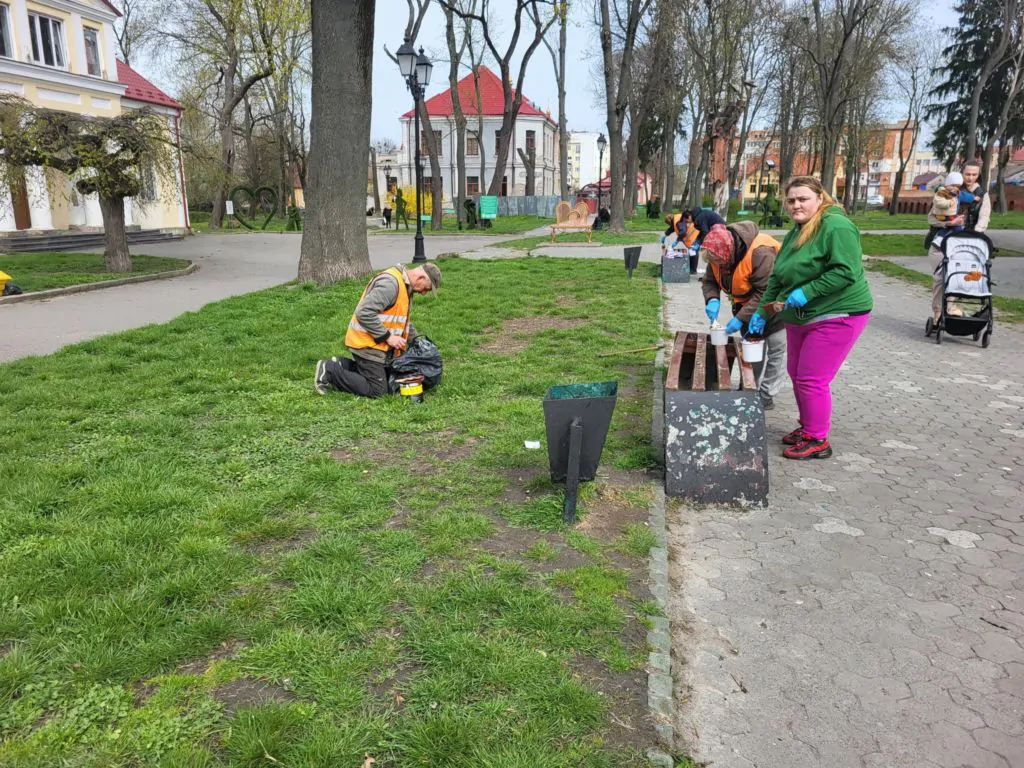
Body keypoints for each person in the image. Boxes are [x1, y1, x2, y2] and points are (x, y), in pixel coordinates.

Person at [747, 176, 873, 460]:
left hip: (838, 312)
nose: (796, 205)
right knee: (797, 374)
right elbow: (778, 278)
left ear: (819, 198)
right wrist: (760, 313)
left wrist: (807, 291)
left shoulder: (836, 226)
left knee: (811, 378)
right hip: (801, 316)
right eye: (791, 200)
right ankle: (808, 427)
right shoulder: (798, 230)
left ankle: (818, 439)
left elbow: (845, 272)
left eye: (803, 199)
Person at [314, 263, 441, 398]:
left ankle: (343, 364)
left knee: (390, 378)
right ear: (421, 277)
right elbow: (363, 313)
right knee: (379, 391)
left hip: (378, 346)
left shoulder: (405, 286)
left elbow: (402, 320)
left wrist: (418, 342)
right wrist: (388, 337)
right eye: (425, 289)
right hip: (366, 345)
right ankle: (329, 370)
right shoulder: (390, 285)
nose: (423, 293)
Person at [700, 222, 785, 409]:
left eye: (720, 262)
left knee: (776, 350)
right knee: (752, 348)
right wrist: (712, 299)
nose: (717, 266)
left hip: (777, 306)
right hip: (748, 309)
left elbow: (767, 291)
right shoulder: (716, 254)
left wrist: (740, 318)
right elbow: (709, 281)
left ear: (729, 254)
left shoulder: (760, 253)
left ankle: (766, 395)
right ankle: (748, 388)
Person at [927, 165, 991, 322]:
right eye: (967, 174)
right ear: (961, 174)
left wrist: (973, 237)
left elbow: (983, 219)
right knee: (941, 278)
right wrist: (949, 223)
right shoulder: (947, 191)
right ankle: (937, 312)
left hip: (968, 243)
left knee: (959, 278)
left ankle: (951, 308)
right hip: (942, 241)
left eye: (974, 174)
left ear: (978, 175)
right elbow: (931, 218)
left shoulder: (982, 195)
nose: (970, 178)